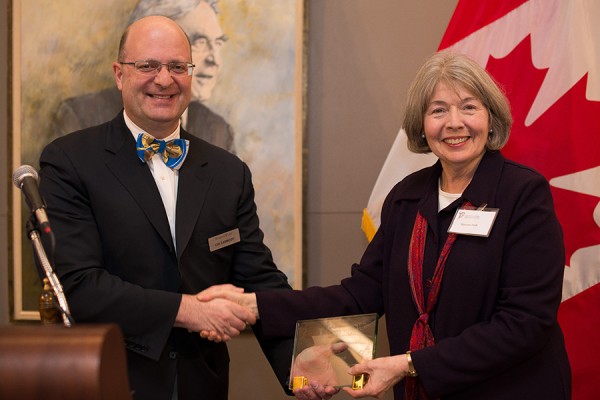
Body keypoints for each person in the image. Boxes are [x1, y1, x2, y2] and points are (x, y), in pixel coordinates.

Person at [204, 52, 572, 399]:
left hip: (511, 390)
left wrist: (409, 365)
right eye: (438, 110)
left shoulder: (523, 193)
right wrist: (255, 306)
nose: (454, 123)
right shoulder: (407, 196)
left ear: (491, 118)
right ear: (421, 124)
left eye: (469, 108)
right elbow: (360, 295)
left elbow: (525, 323)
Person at [38, 15, 292, 400]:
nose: (164, 79)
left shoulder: (228, 172)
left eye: (177, 66)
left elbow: (258, 280)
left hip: (203, 385)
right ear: (119, 74)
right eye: (148, 66)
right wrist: (191, 311)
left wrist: (301, 364)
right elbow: (79, 287)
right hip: (112, 381)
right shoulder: (69, 161)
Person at [52, 0, 235, 153]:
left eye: (217, 43)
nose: (215, 60)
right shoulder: (81, 117)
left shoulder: (218, 130)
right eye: (200, 42)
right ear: (119, 75)